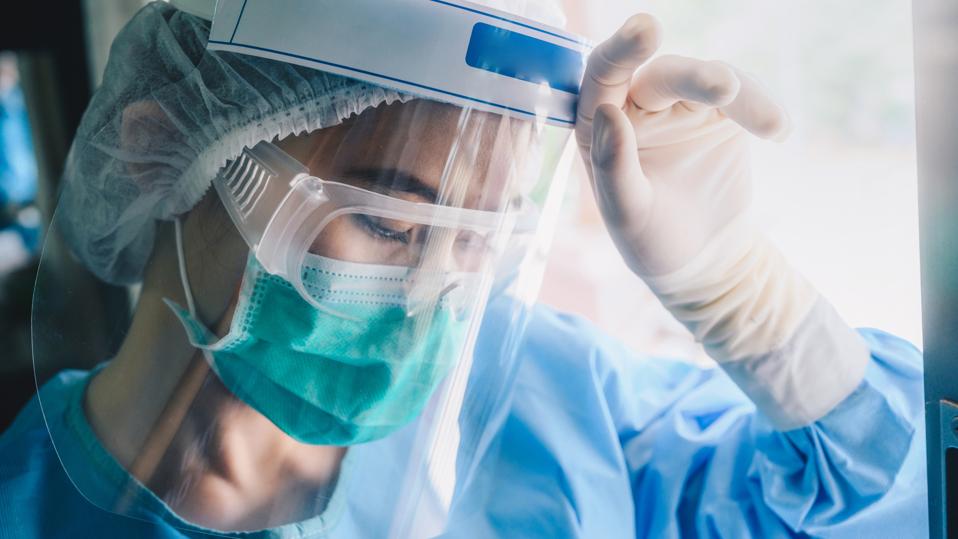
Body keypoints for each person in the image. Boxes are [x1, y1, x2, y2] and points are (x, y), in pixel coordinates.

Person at [0, 0, 926, 537]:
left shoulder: (554, 406)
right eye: (384, 221)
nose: (431, 297)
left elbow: (875, 491)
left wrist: (741, 296)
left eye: (482, 238)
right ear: (166, 152)